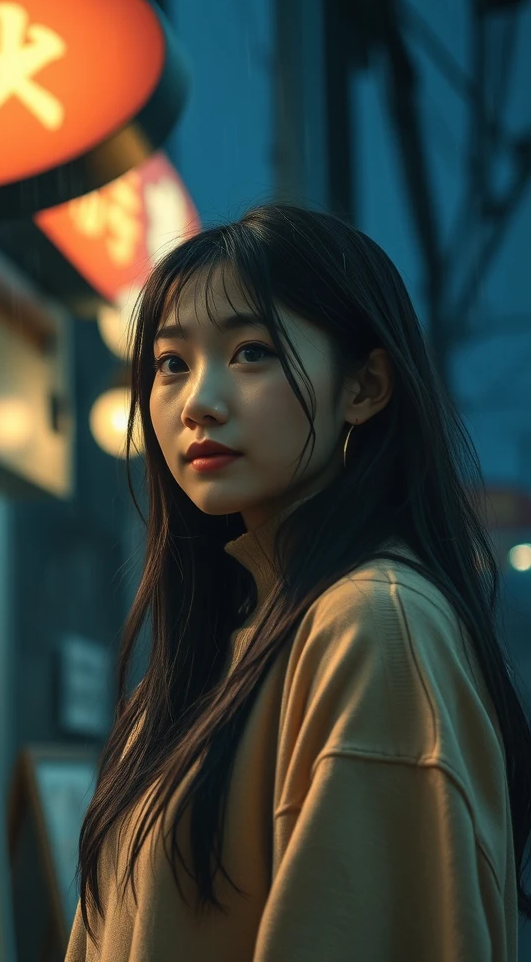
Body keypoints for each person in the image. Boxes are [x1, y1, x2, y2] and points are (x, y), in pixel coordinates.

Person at [67, 204, 531, 961]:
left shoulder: (373, 623)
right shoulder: (198, 663)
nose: (197, 403)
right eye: (171, 363)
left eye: (251, 352)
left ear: (365, 387)